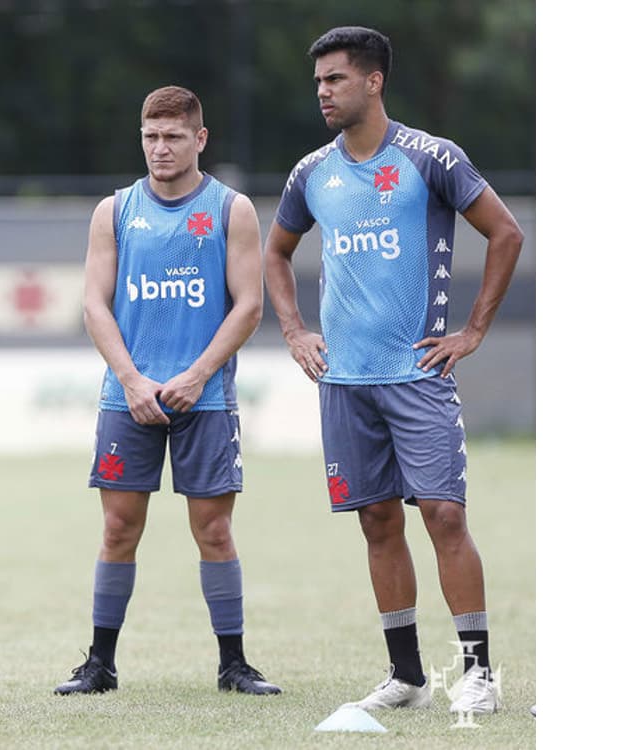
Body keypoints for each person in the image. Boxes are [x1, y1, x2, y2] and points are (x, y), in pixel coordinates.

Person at [262, 26, 523, 714]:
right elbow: (276, 252)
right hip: (344, 382)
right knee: (377, 521)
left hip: (417, 376)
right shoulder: (310, 172)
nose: (323, 91)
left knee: (442, 514)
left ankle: (478, 674)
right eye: (319, 81)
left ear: (373, 81)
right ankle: (406, 677)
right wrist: (294, 330)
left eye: (335, 79)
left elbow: (506, 232)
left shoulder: (430, 157)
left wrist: (472, 331)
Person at [54, 85, 280, 697]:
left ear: (199, 139)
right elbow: (94, 304)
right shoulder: (115, 210)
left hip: (203, 398)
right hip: (127, 398)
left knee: (213, 530)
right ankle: (99, 664)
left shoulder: (232, 209)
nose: (160, 148)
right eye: (151, 137)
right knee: (119, 529)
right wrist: (130, 379)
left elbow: (250, 305)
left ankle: (233, 665)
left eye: (174, 136)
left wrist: (198, 373)